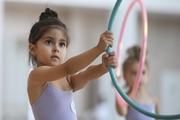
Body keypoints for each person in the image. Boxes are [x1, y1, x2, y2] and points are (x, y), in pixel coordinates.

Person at [27, 8, 118, 120]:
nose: (56, 48)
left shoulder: (66, 79)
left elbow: (86, 75)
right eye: (49, 42)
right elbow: (68, 68)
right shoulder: (37, 76)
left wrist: (103, 67)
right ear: (33, 49)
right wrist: (98, 49)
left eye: (61, 44)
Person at [115, 45, 160, 120]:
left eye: (143, 72)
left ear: (148, 74)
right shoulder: (126, 98)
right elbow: (122, 112)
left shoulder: (154, 99)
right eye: (134, 73)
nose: (139, 77)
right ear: (125, 76)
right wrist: (118, 86)